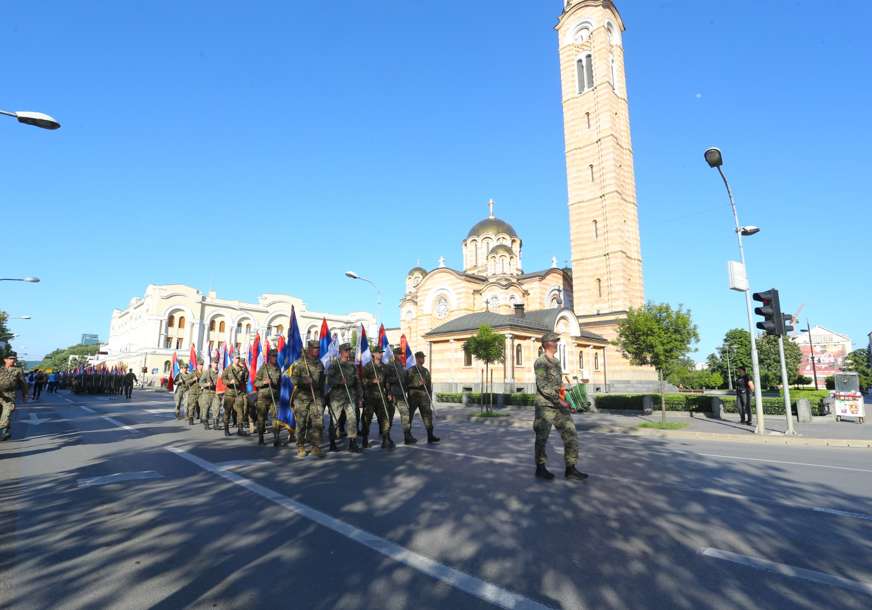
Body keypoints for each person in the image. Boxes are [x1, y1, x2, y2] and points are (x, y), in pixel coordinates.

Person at [533, 332, 587, 481]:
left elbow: (558, 384)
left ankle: (571, 469)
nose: (556, 343)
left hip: (559, 406)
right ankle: (540, 467)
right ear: (548, 343)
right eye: (554, 341)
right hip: (545, 407)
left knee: (571, 434)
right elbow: (543, 386)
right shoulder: (540, 362)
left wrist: (570, 397)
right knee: (542, 438)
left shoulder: (556, 362)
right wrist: (560, 400)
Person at [291, 340, 327, 457]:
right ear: (309, 349)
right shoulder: (300, 362)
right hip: (302, 397)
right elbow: (293, 379)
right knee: (301, 422)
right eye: (315, 348)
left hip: (316, 396)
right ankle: (300, 445)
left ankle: (315, 446)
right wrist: (303, 380)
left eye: (318, 348)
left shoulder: (320, 363)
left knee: (318, 422)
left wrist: (323, 396)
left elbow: (322, 381)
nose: (317, 350)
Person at [360, 345, 394, 449]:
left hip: (381, 397)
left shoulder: (384, 367)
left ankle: (385, 439)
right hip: (370, 397)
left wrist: (389, 393)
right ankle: (365, 439)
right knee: (367, 419)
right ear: (373, 354)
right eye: (378, 352)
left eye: (381, 352)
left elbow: (387, 382)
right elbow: (362, 381)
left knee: (384, 418)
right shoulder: (368, 366)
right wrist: (371, 381)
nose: (381, 354)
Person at [406, 351, 439, 444]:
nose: (423, 359)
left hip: (424, 397)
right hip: (413, 397)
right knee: (409, 417)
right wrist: (417, 384)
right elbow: (406, 384)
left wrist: (430, 397)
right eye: (421, 357)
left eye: (423, 357)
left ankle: (430, 435)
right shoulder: (411, 370)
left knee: (428, 416)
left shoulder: (425, 371)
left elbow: (428, 385)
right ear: (416, 359)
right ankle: (407, 436)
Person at [384, 347, 415, 444]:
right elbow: (386, 381)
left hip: (401, 393)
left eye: (401, 354)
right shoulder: (389, 366)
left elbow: (404, 379)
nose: (401, 356)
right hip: (393, 394)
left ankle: (407, 435)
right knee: (389, 416)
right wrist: (389, 392)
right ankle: (386, 437)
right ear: (395, 355)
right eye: (399, 354)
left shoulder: (401, 365)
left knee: (405, 414)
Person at [254, 350, 281, 446]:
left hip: (274, 397)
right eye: (273, 356)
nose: (275, 358)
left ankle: (276, 438)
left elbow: (279, 383)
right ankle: (261, 438)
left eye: (276, 356)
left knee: (276, 418)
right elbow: (256, 382)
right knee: (261, 419)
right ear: (269, 357)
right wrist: (263, 382)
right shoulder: (263, 368)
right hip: (263, 398)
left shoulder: (278, 368)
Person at [0, 354, 28, 441]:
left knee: (6, 414)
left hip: (10, 396)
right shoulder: (0, 369)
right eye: (10, 359)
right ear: (5, 360)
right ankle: (6, 429)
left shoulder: (18, 370)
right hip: (0, 394)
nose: (13, 360)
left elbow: (23, 383)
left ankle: (4, 432)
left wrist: (25, 394)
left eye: (14, 359)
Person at [222, 354, 249, 436]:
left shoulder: (242, 368)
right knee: (227, 411)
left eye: (238, 358)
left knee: (240, 411)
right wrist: (229, 382)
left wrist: (245, 371)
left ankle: (240, 429)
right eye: (236, 358)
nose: (237, 360)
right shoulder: (228, 369)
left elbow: (245, 380)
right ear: (233, 359)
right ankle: (226, 429)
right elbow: (223, 379)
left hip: (238, 392)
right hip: (229, 393)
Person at [198, 361, 220, 430]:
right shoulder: (207, 372)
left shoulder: (219, 372)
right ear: (212, 364)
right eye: (214, 363)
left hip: (216, 392)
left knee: (217, 407)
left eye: (217, 363)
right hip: (207, 392)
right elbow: (200, 382)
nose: (216, 364)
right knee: (206, 408)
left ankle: (215, 424)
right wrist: (206, 384)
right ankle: (206, 423)